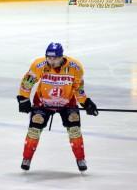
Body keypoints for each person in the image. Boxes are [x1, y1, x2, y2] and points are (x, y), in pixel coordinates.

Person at [17, 42, 98, 171]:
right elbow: (27, 82)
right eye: (48, 57)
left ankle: (80, 158)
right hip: (43, 102)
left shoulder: (75, 67)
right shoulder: (39, 65)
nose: (51, 61)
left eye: (54, 58)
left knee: (74, 129)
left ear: (61, 57)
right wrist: (23, 99)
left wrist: (86, 102)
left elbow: (79, 88)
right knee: (34, 129)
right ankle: (27, 158)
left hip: (67, 102)